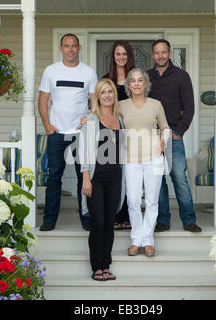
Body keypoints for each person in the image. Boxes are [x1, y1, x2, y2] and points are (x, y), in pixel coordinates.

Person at [38, 33, 98, 232]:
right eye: (67, 46)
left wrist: (88, 120)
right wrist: (47, 126)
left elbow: (95, 103)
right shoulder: (51, 71)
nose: (71, 49)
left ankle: (86, 216)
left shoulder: (88, 73)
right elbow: (42, 100)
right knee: (54, 176)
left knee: (85, 177)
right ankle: (49, 219)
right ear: (61, 48)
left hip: (81, 134)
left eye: (74, 46)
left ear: (79, 48)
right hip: (57, 132)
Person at [147, 39, 202, 233]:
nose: (160, 55)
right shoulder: (146, 77)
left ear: (169, 53)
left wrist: (179, 131)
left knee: (179, 177)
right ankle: (163, 220)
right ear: (153, 55)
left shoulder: (181, 76)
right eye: (157, 52)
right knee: (157, 179)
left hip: (173, 135)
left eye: (163, 52)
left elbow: (189, 108)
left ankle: (189, 220)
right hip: (151, 137)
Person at [120, 68, 170, 257]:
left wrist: (163, 140)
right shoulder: (121, 105)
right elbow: (107, 120)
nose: (136, 83)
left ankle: (147, 241)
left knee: (151, 201)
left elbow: (165, 127)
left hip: (153, 158)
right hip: (130, 159)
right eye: (132, 81)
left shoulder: (156, 104)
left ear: (146, 84)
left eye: (140, 80)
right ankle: (136, 240)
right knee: (132, 200)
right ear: (128, 85)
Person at [79, 78, 125, 281]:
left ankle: (106, 265)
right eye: (103, 92)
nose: (107, 95)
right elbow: (83, 152)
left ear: (114, 95)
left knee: (109, 223)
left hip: (115, 178)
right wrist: (86, 179)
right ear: (97, 96)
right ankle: (96, 266)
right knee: (97, 222)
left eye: (110, 92)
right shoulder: (90, 120)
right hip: (96, 179)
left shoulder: (119, 119)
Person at [102, 40, 135, 230]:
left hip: (132, 131)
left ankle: (128, 215)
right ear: (113, 57)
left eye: (124, 54)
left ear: (129, 56)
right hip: (112, 132)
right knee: (116, 175)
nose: (121, 57)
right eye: (118, 54)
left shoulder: (135, 79)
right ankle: (115, 214)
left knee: (130, 175)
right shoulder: (106, 79)